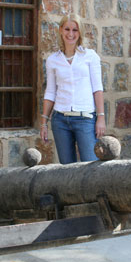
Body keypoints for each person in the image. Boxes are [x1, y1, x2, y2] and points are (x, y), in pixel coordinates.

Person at [40, 14, 105, 164]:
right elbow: (50, 92)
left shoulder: (90, 56)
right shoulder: (53, 60)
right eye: (67, 29)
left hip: (85, 119)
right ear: (61, 30)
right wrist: (44, 122)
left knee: (91, 165)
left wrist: (101, 117)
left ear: (80, 32)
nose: (71, 34)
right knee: (67, 170)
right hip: (60, 120)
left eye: (75, 30)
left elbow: (97, 88)